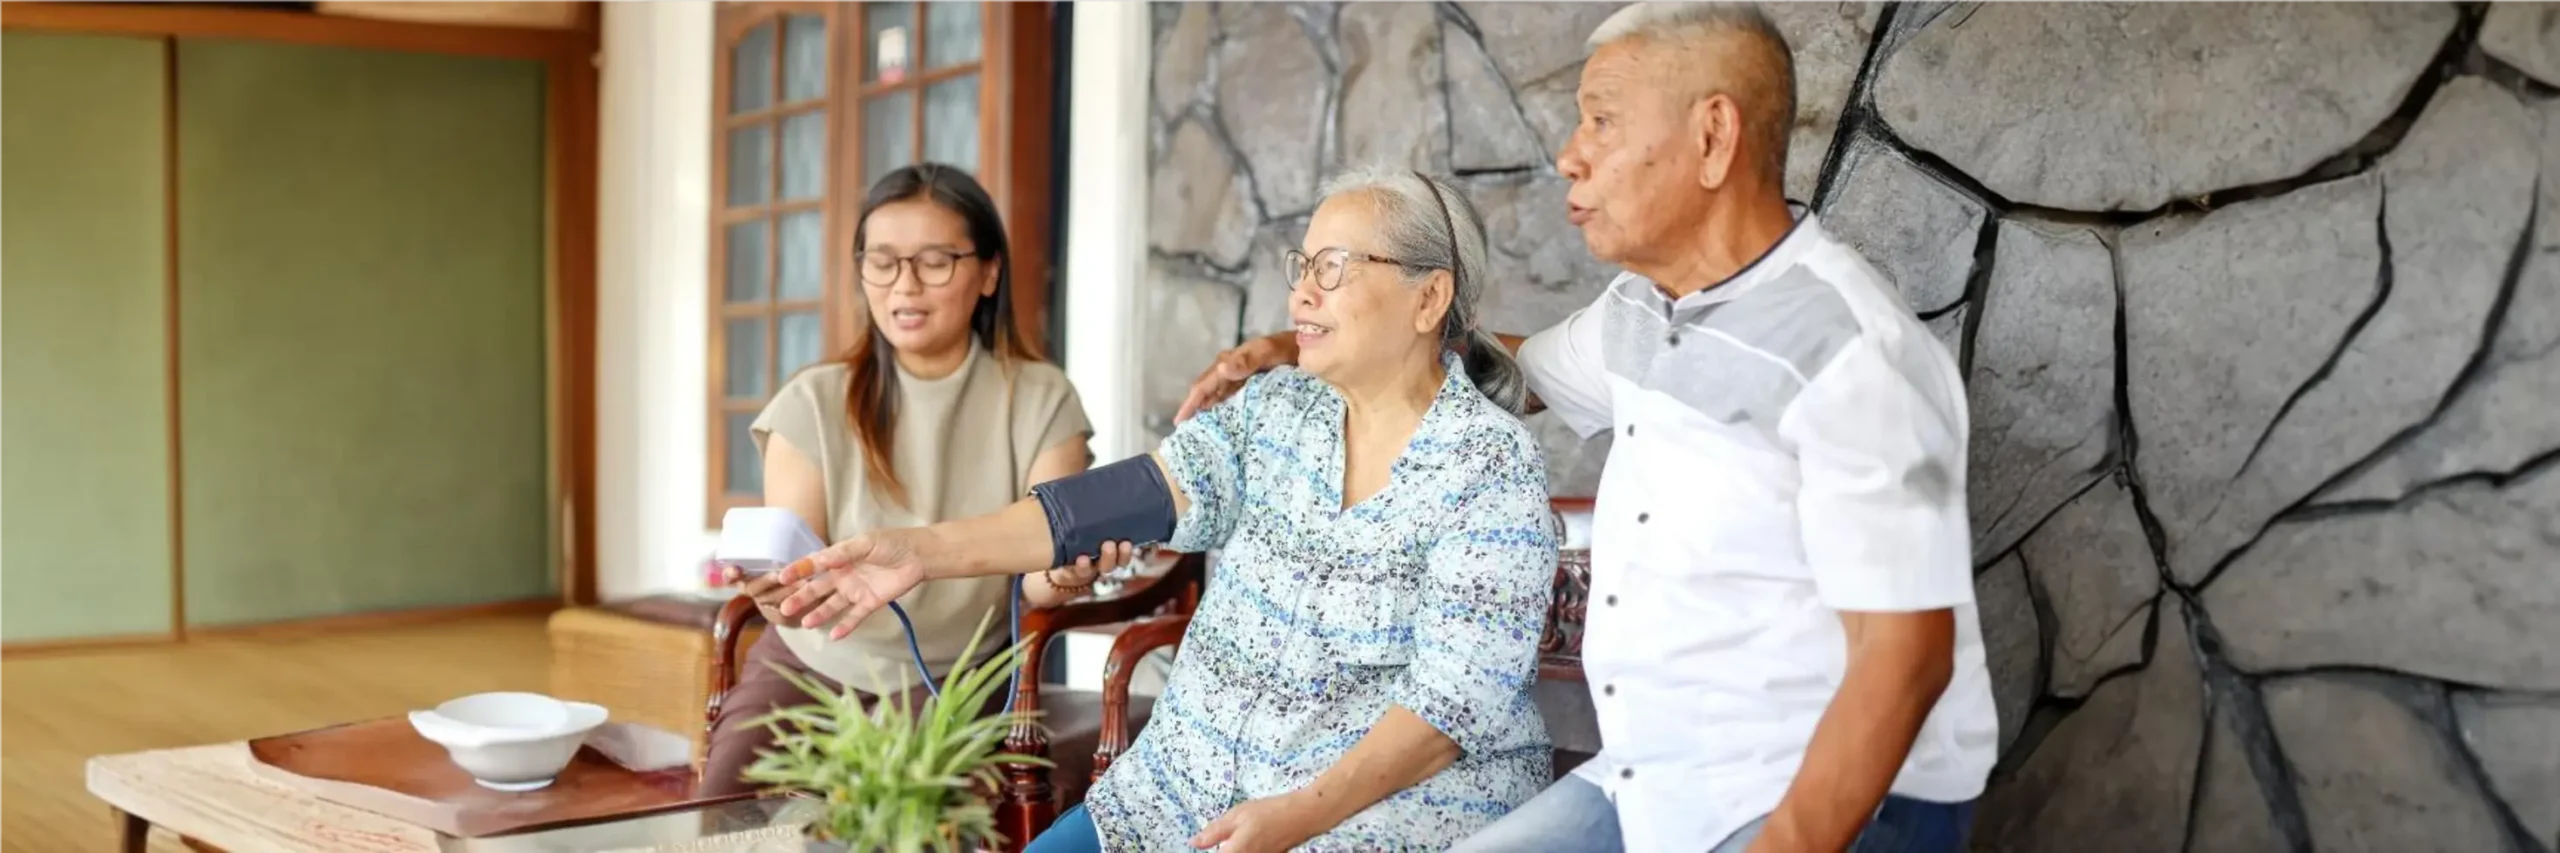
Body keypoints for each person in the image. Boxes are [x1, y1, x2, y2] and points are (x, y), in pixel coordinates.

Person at [1177, 4, 1994, 852]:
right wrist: (1306, 345)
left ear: (1713, 137)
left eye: (1602, 120)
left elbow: (1907, 658)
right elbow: (1504, 372)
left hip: (1833, 797)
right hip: (1657, 772)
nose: (1571, 154)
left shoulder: (1853, 356)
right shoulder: (1643, 311)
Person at [775, 167, 1560, 853]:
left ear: (1430, 297)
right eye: (1303, 264)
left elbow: (1447, 712)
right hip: (1182, 785)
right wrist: (918, 551)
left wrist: (1293, 817)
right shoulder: (1277, 408)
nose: (1302, 291)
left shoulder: (1489, 465)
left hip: (1381, 812)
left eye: (1337, 266)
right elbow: (1122, 498)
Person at [702, 163, 1107, 796]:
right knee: (720, 816)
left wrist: (1064, 573)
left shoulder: (1042, 400)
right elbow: (796, 582)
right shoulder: (811, 402)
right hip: (814, 663)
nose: (905, 286)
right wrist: (775, 593)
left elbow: (1040, 574)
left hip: (957, 678)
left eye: (935, 261)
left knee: (897, 816)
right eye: (883, 262)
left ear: (988, 272)